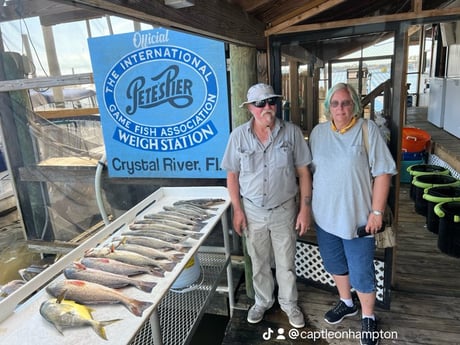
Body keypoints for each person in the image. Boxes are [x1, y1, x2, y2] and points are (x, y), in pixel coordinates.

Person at [308, 83, 397, 345]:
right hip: (325, 217)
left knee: (361, 272)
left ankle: (368, 316)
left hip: (358, 220)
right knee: (334, 264)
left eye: (346, 103)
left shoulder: (367, 130)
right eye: (334, 104)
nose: (340, 108)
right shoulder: (318, 132)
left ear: (355, 105)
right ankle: (347, 302)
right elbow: (312, 171)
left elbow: (382, 173)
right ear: (328, 107)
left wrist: (377, 212)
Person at [221, 83, 313, 329]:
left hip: (285, 209)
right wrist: (237, 210)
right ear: (250, 108)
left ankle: (288, 303)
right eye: (260, 103)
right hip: (252, 211)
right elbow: (232, 175)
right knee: (258, 261)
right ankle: (262, 300)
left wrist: (305, 209)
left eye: (271, 101)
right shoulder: (238, 135)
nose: (266, 107)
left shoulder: (292, 132)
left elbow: (304, 173)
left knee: (286, 262)